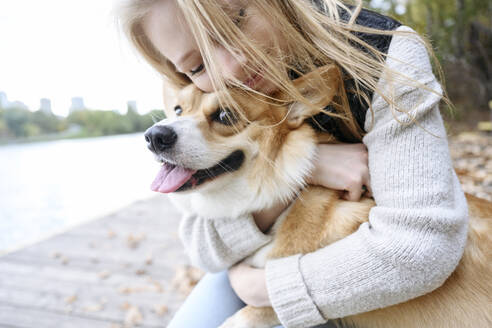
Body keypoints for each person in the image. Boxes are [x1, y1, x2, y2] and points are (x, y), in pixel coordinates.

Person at [116, 1, 469, 327]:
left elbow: (421, 248)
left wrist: (264, 290)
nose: (232, 67)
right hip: (272, 254)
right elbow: (202, 246)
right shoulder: (197, 102)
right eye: (197, 65)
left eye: (235, 22)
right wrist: (304, 168)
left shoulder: (381, 50)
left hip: (375, 269)